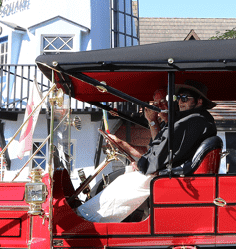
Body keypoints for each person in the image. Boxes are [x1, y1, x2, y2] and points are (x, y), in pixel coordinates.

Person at [76, 80, 217, 222]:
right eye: (178, 98)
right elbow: (159, 151)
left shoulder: (189, 122)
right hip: (173, 170)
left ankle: (87, 219)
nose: (180, 102)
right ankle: (87, 216)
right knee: (125, 178)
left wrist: (141, 163)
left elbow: (158, 157)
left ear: (199, 101)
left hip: (173, 174)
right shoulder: (193, 120)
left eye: (185, 98)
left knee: (125, 184)